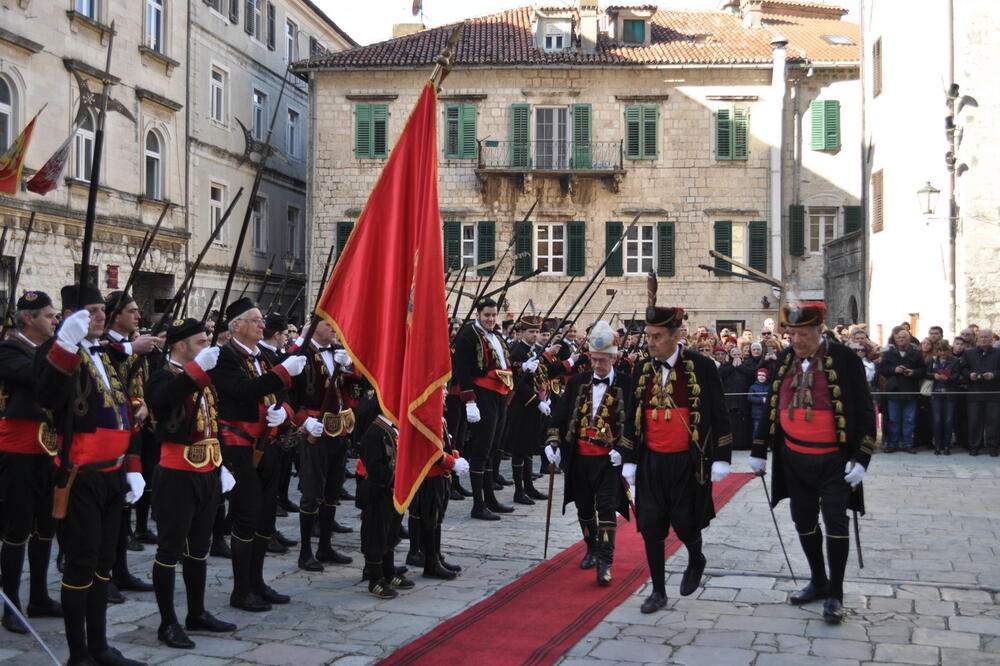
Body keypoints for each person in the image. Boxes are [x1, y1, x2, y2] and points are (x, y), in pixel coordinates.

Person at [37, 284, 148, 666]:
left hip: (112, 474)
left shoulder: (103, 355)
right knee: (81, 564)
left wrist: (132, 467)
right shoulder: (55, 353)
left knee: (103, 563)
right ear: (71, 316)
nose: (101, 316)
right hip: (80, 476)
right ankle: (78, 652)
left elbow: (121, 411)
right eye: (93, 310)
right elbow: (49, 396)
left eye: (103, 309)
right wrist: (65, 346)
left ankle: (99, 644)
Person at [749, 302, 876, 624]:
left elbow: (864, 411)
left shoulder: (845, 359)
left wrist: (862, 458)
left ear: (819, 331)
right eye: (791, 334)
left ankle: (835, 593)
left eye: (803, 334)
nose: (796, 340)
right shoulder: (786, 359)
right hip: (794, 459)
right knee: (803, 521)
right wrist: (758, 449)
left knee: (835, 521)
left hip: (835, 461)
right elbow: (772, 406)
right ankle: (818, 581)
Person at [621, 281, 732, 614]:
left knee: (686, 524)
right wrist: (629, 458)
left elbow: (719, 414)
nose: (650, 343)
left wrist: (722, 457)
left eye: (657, 337)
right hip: (652, 460)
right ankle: (658, 590)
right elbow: (631, 416)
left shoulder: (701, 366)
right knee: (651, 526)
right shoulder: (641, 368)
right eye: (648, 336)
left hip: (688, 462)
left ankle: (696, 558)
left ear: (675, 335)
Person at [209, 297, 306, 612]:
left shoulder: (262, 356)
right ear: (237, 325)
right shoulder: (224, 357)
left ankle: (257, 581)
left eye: (261, 319)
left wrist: (285, 410)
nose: (262, 323)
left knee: (266, 517)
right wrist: (280, 374)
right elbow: (240, 391)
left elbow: (287, 395)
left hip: (270, 444)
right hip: (240, 448)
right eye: (255, 319)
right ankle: (241, 589)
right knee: (247, 517)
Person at [144, 318, 236, 649]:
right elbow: (163, 399)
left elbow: (213, 423)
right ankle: (167, 622)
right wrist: (195, 373)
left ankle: (196, 612)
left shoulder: (203, 378)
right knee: (170, 549)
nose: (206, 347)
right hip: (176, 473)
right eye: (200, 342)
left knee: (198, 549)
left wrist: (221, 463)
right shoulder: (162, 376)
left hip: (207, 471)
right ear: (180, 346)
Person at [545, 321, 630, 586]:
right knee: (583, 507)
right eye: (593, 360)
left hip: (608, 460)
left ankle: (605, 559)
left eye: (602, 361)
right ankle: (591, 546)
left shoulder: (627, 383)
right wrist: (552, 442)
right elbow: (558, 417)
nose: (596, 366)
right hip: (579, 458)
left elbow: (637, 424)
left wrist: (624, 450)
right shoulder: (579, 381)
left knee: (606, 508)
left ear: (614, 358)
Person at [0, 291, 62, 634]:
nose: (54, 321)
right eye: (49, 316)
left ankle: (39, 595)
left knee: (45, 527)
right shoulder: (10, 349)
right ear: (28, 319)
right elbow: (37, 379)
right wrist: (61, 352)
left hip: (49, 449)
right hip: (20, 449)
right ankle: (11, 603)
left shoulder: (43, 352)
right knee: (18, 528)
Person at [289, 318, 357, 571]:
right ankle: (305, 551)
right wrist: (304, 421)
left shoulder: (337, 353)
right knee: (311, 494)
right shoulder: (300, 354)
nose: (335, 330)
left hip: (338, 431)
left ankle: (325, 546)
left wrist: (350, 368)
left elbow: (351, 389)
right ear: (313, 327)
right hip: (314, 432)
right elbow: (288, 395)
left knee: (332, 491)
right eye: (329, 325)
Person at [451, 297, 515, 520]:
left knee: (493, 448)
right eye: (487, 315)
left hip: (500, 395)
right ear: (478, 314)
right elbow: (462, 369)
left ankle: (490, 498)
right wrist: (469, 400)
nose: (490, 319)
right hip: (482, 395)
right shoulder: (468, 335)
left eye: (493, 315)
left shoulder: (496, 335)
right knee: (481, 449)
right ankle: (478, 504)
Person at [506, 315, 569, 505]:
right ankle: (519, 490)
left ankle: (529, 487)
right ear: (522, 332)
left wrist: (544, 398)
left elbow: (542, 374)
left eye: (536, 331)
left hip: (534, 405)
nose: (534, 335)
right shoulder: (517, 351)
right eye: (531, 331)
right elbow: (519, 384)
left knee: (529, 447)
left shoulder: (535, 351)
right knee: (519, 448)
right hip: (521, 406)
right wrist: (536, 401)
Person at [357, 410, 413, 598]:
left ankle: (389, 573)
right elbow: (374, 467)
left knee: (390, 534)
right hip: (378, 493)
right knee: (376, 536)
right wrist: (396, 480)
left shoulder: (392, 429)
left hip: (393, 493)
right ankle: (375, 580)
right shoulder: (374, 433)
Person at [878, 325, 925, 453]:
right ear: (895, 339)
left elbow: (923, 370)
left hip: (910, 391)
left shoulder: (916, 354)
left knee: (909, 420)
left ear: (909, 338)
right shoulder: (888, 354)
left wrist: (913, 372)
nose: (901, 339)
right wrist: (894, 369)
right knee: (893, 419)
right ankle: (892, 443)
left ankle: (907, 444)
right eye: (899, 338)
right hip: (894, 391)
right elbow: (882, 370)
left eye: (904, 337)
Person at [959, 329, 1000, 456]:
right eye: (981, 337)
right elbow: (963, 369)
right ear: (977, 339)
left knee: (993, 422)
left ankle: (992, 447)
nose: (984, 339)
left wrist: (993, 375)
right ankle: (974, 446)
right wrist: (969, 375)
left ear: (992, 339)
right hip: (974, 393)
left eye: (986, 337)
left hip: (993, 393)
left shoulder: (998, 353)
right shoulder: (969, 353)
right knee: (974, 421)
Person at [927, 340, 960, 456]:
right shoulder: (932, 360)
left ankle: (946, 445)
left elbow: (957, 375)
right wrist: (934, 375)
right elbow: (926, 373)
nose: (942, 353)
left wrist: (949, 377)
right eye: (940, 350)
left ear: (948, 350)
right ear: (937, 351)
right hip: (936, 393)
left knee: (948, 420)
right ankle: (937, 445)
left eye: (945, 350)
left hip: (950, 394)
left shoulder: (955, 361)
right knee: (937, 420)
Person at [747, 367, 770, 439]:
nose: (761, 377)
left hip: (766, 413)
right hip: (756, 414)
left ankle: (766, 445)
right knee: (757, 429)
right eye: (759, 375)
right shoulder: (753, 387)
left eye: (763, 376)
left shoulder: (769, 387)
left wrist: (767, 399)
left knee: (766, 430)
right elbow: (750, 398)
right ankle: (756, 443)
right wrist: (761, 400)